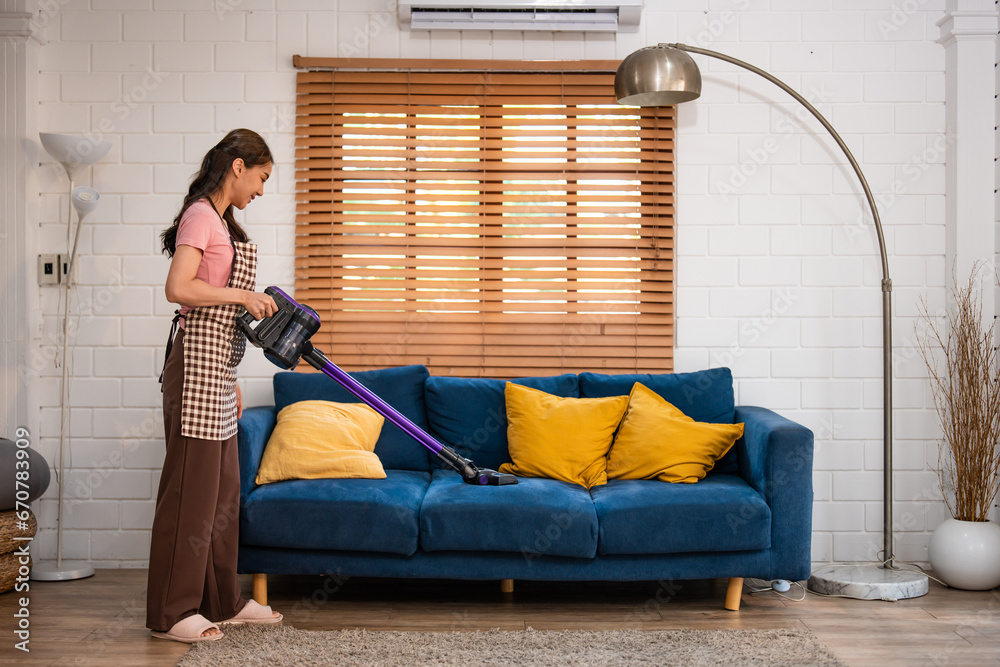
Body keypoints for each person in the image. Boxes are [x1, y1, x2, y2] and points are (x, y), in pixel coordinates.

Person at [146, 128, 283, 643]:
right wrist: (242, 296)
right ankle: (172, 612)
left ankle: (221, 601)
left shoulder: (224, 223)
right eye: (262, 178)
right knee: (188, 497)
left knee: (223, 495)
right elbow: (178, 288)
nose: (262, 190)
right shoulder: (201, 215)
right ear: (238, 167)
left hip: (216, 373)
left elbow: (216, 314)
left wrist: (230, 377)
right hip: (192, 372)